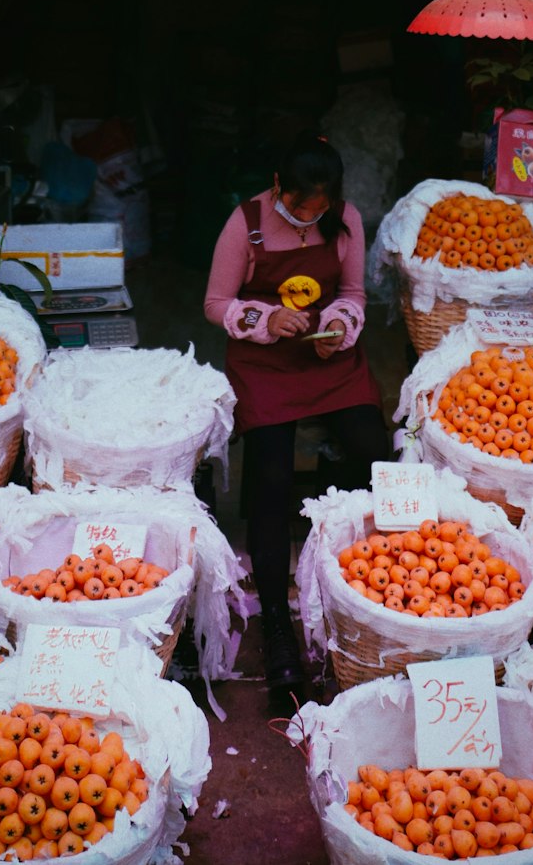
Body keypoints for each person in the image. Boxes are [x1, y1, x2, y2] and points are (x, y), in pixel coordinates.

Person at [204, 132, 390, 697]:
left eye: (321, 207)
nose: (310, 217)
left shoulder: (347, 219)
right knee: (271, 476)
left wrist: (338, 325)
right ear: (278, 186)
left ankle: (353, 580)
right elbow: (215, 303)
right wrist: (262, 320)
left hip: (327, 359)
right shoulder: (246, 223)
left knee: (373, 451)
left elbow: (355, 293)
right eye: (300, 205)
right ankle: (280, 630)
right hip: (265, 365)